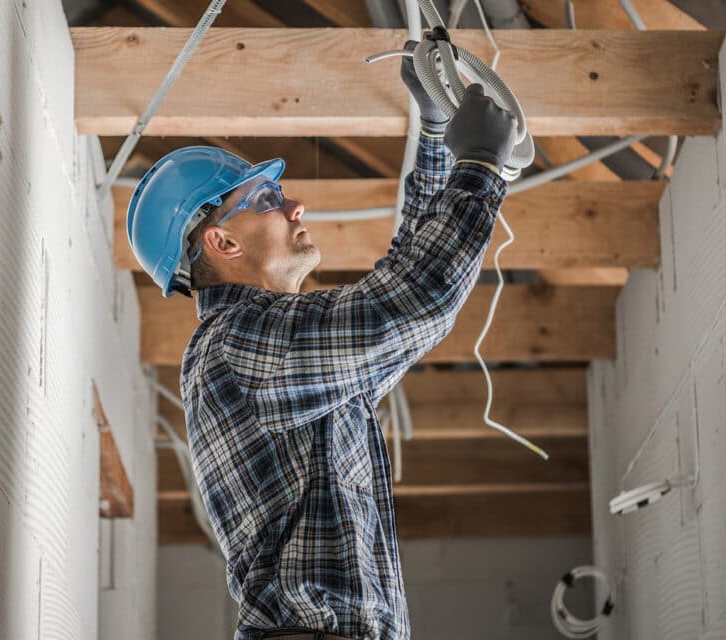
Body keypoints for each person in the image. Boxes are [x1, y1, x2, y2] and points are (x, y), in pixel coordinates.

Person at [125, 43, 518, 640]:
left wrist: (439, 137)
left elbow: (403, 283)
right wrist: (481, 165)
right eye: (265, 200)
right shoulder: (238, 347)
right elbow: (412, 303)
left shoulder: (278, 359)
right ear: (223, 243)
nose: (294, 204)